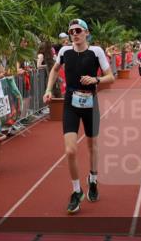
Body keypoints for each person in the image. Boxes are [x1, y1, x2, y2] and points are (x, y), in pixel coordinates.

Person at [43, 19, 114, 214]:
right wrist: (49, 89)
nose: (74, 34)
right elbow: (55, 69)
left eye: (78, 30)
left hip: (91, 103)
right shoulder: (65, 52)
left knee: (92, 146)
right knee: (70, 150)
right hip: (70, 104)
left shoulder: (96, 51)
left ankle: (92, 179)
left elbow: (111, 76)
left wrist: (96, 79)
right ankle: (76, 191)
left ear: (86, 33)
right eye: (71, 31)